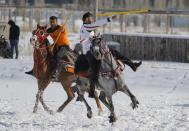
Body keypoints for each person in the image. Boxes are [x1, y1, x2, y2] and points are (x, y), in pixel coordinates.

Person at [75, 12, 142, 98]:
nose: (91, 20)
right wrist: (109, 18)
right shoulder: (86, 26)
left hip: (96, 49)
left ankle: (133, 65)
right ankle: (92, 90)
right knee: (95, 69)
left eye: (92, 18)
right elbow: (97, 24)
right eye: (90, 18)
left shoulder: (89, 29)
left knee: (114, 53)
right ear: (85, 20)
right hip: (88, 53)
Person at [26, 16, 72, 81]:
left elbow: (65, 31)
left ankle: (56, 73)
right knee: (44, 55)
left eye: (54, 22)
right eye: (51, 22)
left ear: (56, 22)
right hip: (55, 46)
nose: (52, 23)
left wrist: (63, 30)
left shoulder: (60, 27)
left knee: (58, 56)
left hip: (64, 46)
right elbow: (43, 35)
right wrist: (35, 32)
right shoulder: (49, 30)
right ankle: (35, 70)